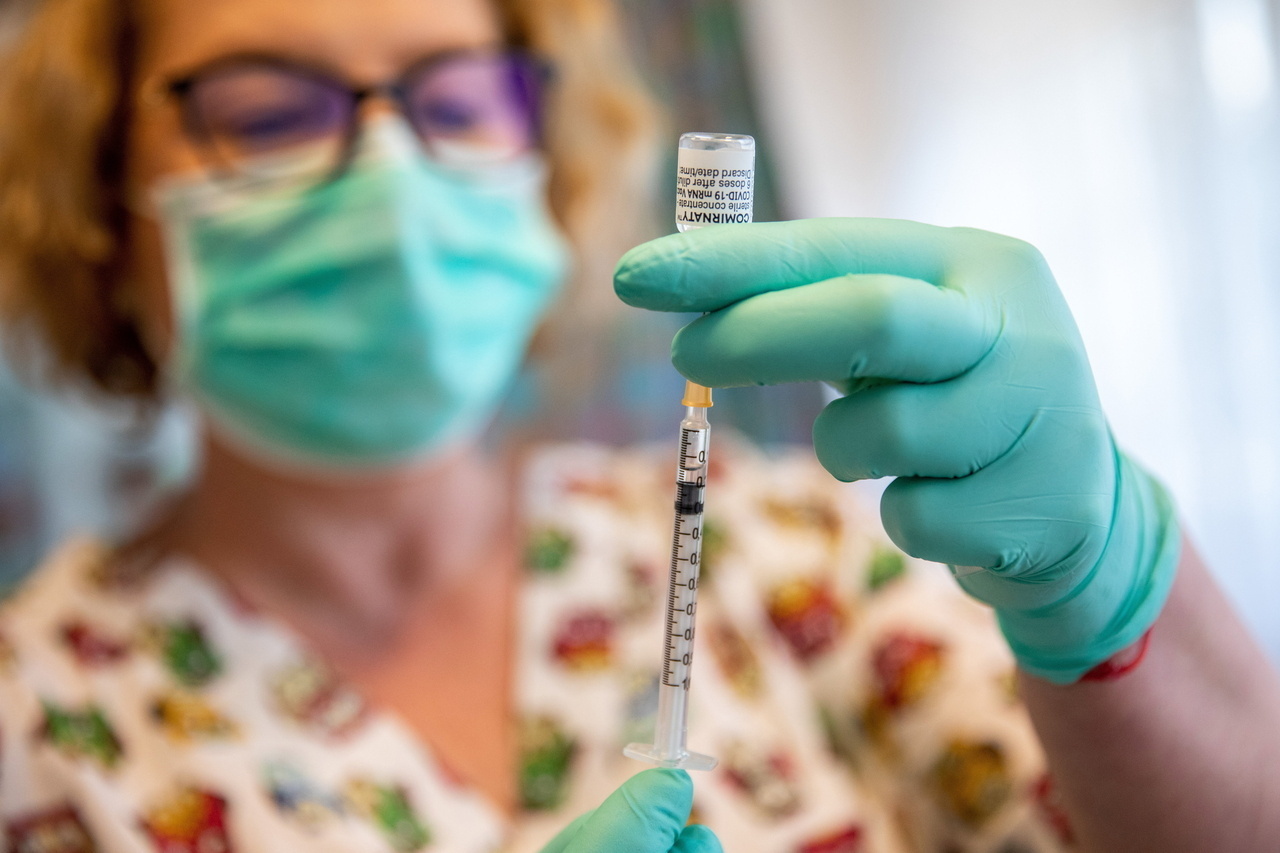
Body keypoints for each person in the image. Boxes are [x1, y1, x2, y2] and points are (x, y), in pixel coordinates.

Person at [0, 0, 1275, 852]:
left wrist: (1106, 580)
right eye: (266, 113)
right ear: (100, 194)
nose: (388, 172)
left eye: (457, 101)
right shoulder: (37, 725)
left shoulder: (787, 554)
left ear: (542, 162)